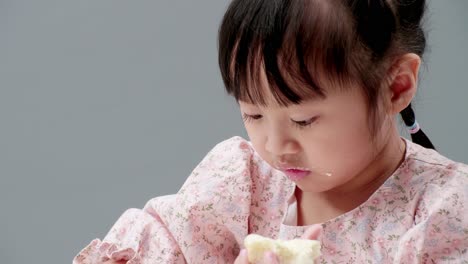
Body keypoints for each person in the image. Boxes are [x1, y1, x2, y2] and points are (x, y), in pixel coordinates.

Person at [73, 0, 468, 263]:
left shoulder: (442, 212)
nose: (276, 148)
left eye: (303, 121)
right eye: (253, 115)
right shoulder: (241, 185)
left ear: (394, 86)